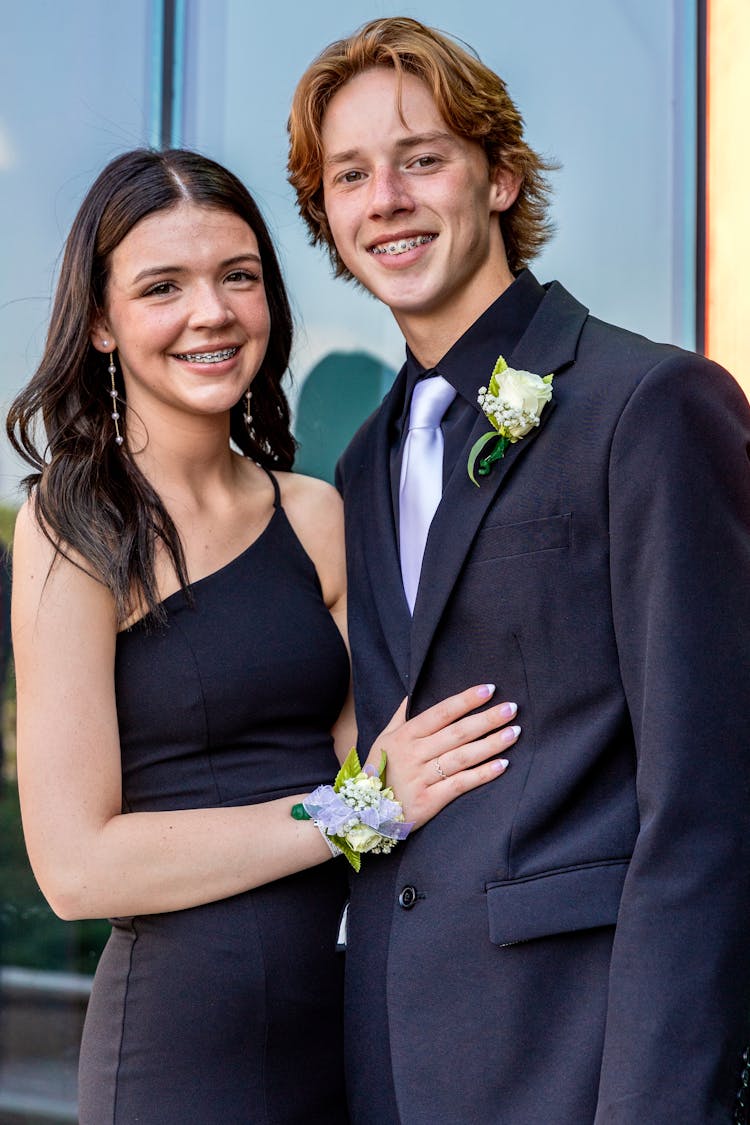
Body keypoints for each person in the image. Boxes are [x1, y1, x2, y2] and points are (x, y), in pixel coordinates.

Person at [288, 17, 750, 1124]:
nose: (386, 197)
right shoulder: (363, 459)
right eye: (351, 175)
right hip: (398, 1067)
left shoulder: (649, 406)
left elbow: (707, 807)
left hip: (582, 1064)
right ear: (330, 220)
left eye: (422, 158)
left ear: (498, 178)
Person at [6, 147, 522, 1124]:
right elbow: (76, 869)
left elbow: (388, 783)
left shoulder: (316, 515)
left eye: (238, 276)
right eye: (165, 286)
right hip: (179, 1058)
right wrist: (349, 812)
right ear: (104, 323)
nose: (213, 312)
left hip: (354, 1033)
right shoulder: (73, 524)